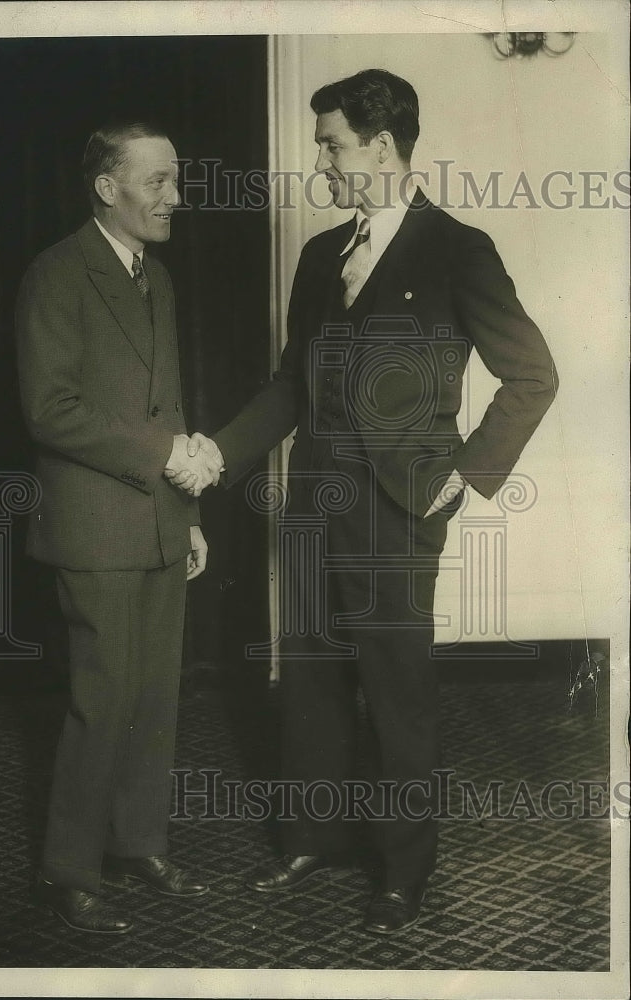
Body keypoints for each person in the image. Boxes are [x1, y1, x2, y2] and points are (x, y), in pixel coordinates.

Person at [168, 69, 558, 934]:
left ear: (381, 148)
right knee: (309, 676)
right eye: (320, 145)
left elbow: (532, 374)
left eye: (331, 144)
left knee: (393, 691)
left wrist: (464, 472)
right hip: (311, 501)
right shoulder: (319, 259)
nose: (321, 161)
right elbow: (287, 390)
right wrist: (218, 453)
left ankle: (401, 869)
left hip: (398, 510)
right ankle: (315, 837)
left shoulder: (458, 249)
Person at [16, 120, 222, 934]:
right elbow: (50, 410)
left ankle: (139, 842)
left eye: (175, 179)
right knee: (102, 701)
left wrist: (191, 514)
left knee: (152, 696)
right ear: (108, 188)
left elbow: (164, 408)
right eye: (158, 181)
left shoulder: (156, 277)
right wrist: (166, 457)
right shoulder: (56, 274)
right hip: (94, 527)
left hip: (161, 523)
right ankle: (68, 870)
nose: (175, 196)